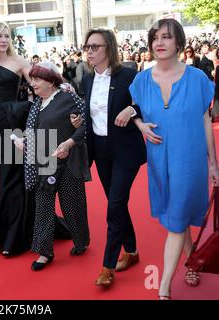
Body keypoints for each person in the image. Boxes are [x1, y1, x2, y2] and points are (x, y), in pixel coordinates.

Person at [128, 19, 219, 300]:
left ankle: (164, 286)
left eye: (166, 37)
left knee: (177, 219)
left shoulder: (198, 79)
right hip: (159, 162)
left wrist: (213, 164)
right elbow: (136, 112)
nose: (160, 43)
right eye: (155, 37)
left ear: (178, 42)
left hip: (190, 161)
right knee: (176, 217)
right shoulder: (140, 80)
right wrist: (140, 125)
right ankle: (193, 261)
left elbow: (205, 121)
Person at [0, 22, 70, 255]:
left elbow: (37, 81)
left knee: (14, 177)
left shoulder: (18, 61)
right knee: (3, 176)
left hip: (14, 121)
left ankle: (15, 239)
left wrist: (60, 86)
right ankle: (14, 232)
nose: (4, 40)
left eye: (7, 36)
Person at [74, 29, 146, 287]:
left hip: (126, 150)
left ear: (109, 48)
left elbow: (147, 104)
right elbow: (92, 111)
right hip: (101, 149)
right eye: (87, 47)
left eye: (95, 46)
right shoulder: (87, 79)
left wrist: (131, 109)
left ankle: (107, 266)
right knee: (117, 204)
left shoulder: (129, 75)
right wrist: (80, 119)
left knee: (114, 205)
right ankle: (132, 250)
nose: (90, 51)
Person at [14, 62, 91, 271]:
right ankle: (44, 252)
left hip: (67, 161)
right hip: (43, 162)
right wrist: (24, 142)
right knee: (44, 208)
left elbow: (85, 126)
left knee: (72, 205)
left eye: (37, 79)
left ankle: (81, 241)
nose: (33, 83)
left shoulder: (68, 97)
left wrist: (69, 143)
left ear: (51, 81)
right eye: (32, 79)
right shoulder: (37, 103)